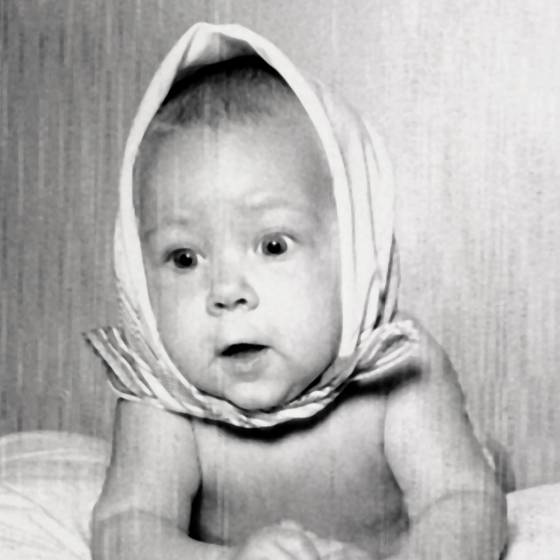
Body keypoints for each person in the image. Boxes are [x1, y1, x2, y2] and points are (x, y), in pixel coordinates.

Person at [86, 23, 506, 560]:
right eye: (184, 258)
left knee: (478, 476)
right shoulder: (166, 403)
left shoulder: (395, 372)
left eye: (273, 246)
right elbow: (126, 527)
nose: (227, 292)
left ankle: (491, 457)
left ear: (355, 252)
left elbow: (462, 502)